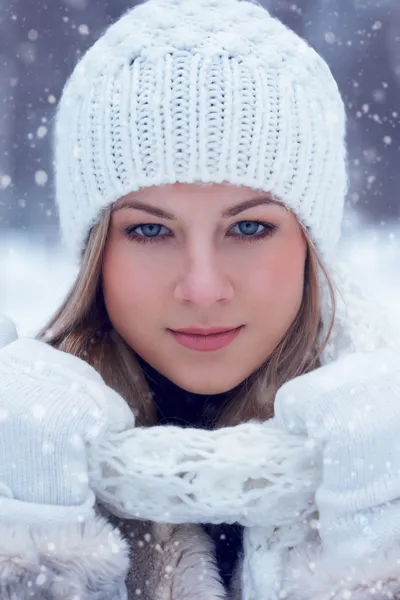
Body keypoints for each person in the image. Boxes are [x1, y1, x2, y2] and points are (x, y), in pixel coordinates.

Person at [0, 0, 400, 598]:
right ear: (95, 257)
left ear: (311, 247)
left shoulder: (384, 435)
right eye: (151, 231)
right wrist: (32, 547)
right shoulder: (20, 446)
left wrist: (379, 546)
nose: (203, 288)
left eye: (249, 228)